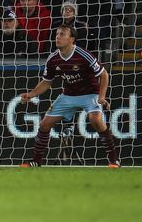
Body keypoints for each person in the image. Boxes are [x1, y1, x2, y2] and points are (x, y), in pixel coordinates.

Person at [19, 25, 119, 168]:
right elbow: (47, 82)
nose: (58, 37)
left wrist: (101, 96)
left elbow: (104, 74)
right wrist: (31, 94)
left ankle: (114, 160)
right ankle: (36, 161)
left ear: (72, 39)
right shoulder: (53, 59)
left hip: (90, 93)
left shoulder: (83, 55)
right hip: (68, 95)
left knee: (96, 120)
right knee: (44, 124)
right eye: (57, 34)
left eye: (62, 34)